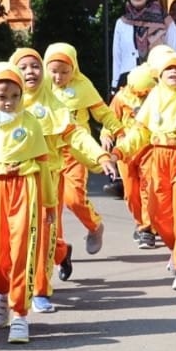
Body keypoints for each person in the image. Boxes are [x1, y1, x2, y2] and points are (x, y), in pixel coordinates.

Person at [117, 53, 176, 291]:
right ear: (159, 75)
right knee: (156, 213)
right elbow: (140, 133)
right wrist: (119, 151)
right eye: (169, 69)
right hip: (158, 158)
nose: (174, 73)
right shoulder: (153, 100)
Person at [0, 61, 52, 344]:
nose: (8, 103)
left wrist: (48, 203)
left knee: (22, 249)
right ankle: (2, 292)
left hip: (26, 188)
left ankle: (20, 314)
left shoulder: (31, 122)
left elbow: (43, 164)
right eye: (2, 97)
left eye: (14, 96)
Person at [42, 43, 113, 255]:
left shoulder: (84, 86)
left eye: (64, 72)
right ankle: (58, 251)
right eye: (53, 72)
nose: (58, 77)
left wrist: (114, 131)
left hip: (76, 151)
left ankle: (95, 226)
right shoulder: (39, 91)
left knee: (74, 199)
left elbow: (103, 113)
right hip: (50, 153)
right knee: (51, 206)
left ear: (75, 68)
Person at [107, 65, 157, 247]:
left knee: (148, 188)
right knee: (130, 192)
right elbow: (109, 120)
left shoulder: (158, 97)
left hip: (149, 147)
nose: (141, 97)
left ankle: (147, 229)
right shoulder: (120, 98)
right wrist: (107, 136)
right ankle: (140, 221)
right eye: (139, 93)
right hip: (126, 151)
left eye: (146, 93)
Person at [112, 0, 176, 85]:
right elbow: (117, 57)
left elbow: (175, 53)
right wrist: (114, 84)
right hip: (128, 82)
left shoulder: (166, 21)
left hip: (158, 81)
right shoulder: (122, 23)